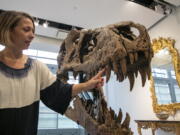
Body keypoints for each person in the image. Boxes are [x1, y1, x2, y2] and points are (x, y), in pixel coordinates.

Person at [0, 10, 105, 135]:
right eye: (26, 29)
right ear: (9, 30)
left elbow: (58, 92)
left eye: (33, 31)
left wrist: (87, 85)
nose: (32, 35)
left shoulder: (36, 67)